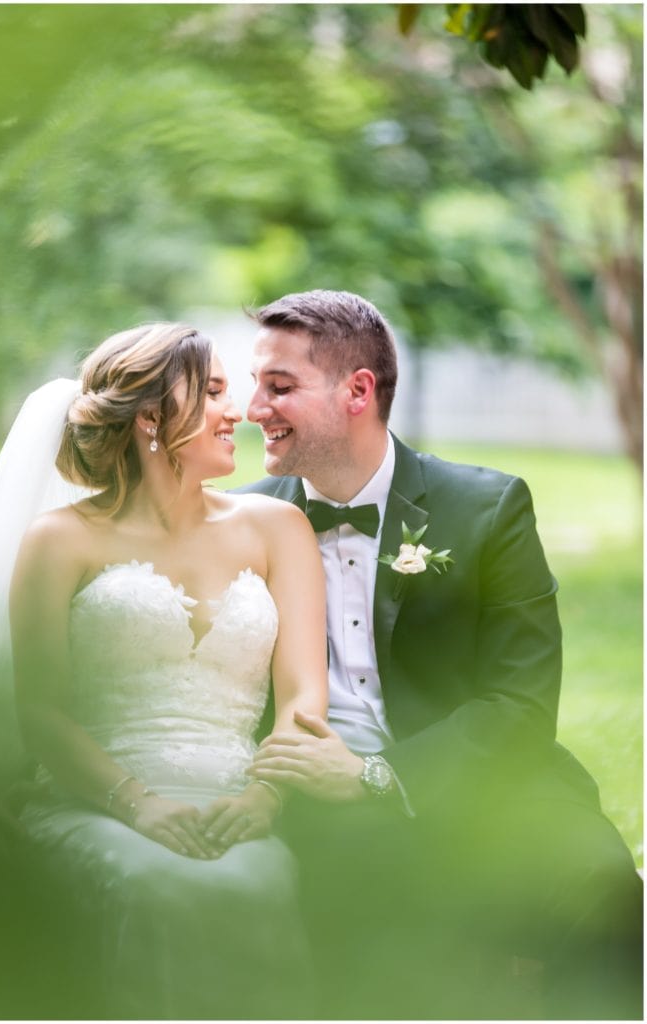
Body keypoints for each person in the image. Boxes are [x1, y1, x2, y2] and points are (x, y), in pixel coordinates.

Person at [240, 289, 643, 1020]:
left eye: (278, 387)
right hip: (305, 798)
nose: (251, 408)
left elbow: (519, 704)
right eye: (253, 385)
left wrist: (376, 776)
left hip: (478, 777)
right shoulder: (243, 521)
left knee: (600, 882)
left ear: (357, 390)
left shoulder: (486, 508)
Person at [0, 322, 328, 1019]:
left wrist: (262, 800)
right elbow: (40, 712)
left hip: (236, 803)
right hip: (96, 800)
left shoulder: (276, 528)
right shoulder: (60, 540)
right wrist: (139, 804)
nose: (240, 411)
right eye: (216, 391)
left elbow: (302, 696)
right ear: (152, 418)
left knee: (259, 881)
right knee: (150, 882)